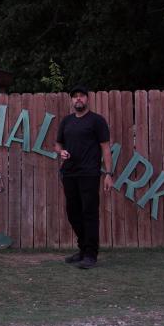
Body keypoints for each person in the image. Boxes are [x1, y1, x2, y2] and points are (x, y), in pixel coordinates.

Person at [54, 85, 113, 269]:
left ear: (87, 99)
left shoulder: (97, 121)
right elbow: (57, 145)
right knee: (73, 213)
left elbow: (105, 148)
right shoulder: (66, 122)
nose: (78, 99)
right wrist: (61, 152)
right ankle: (83, 249)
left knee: (89, 213)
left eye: (81, 96)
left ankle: (90, 255)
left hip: (89, 173)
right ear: (71, 100)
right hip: (69, 174)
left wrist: (109, 174)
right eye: (75, 97)